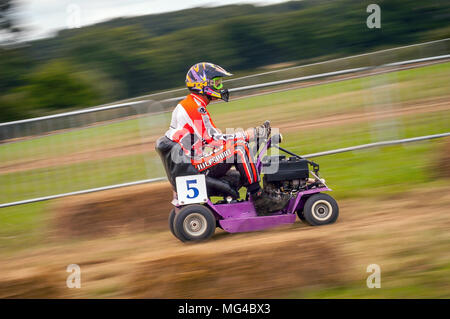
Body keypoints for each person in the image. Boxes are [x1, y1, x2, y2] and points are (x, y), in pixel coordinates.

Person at [164, 62, 289, 216]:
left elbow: (211, 137)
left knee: (241, 166)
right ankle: (260, 199)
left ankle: (254, 198)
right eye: (216, 83)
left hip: (191, 162)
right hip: (193, 166)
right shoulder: (192, 108)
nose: (220, 87)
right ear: (203, 85)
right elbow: (214, 139)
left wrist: (250, 136)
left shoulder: (192, 105)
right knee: (239, 148)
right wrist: (250, 134)